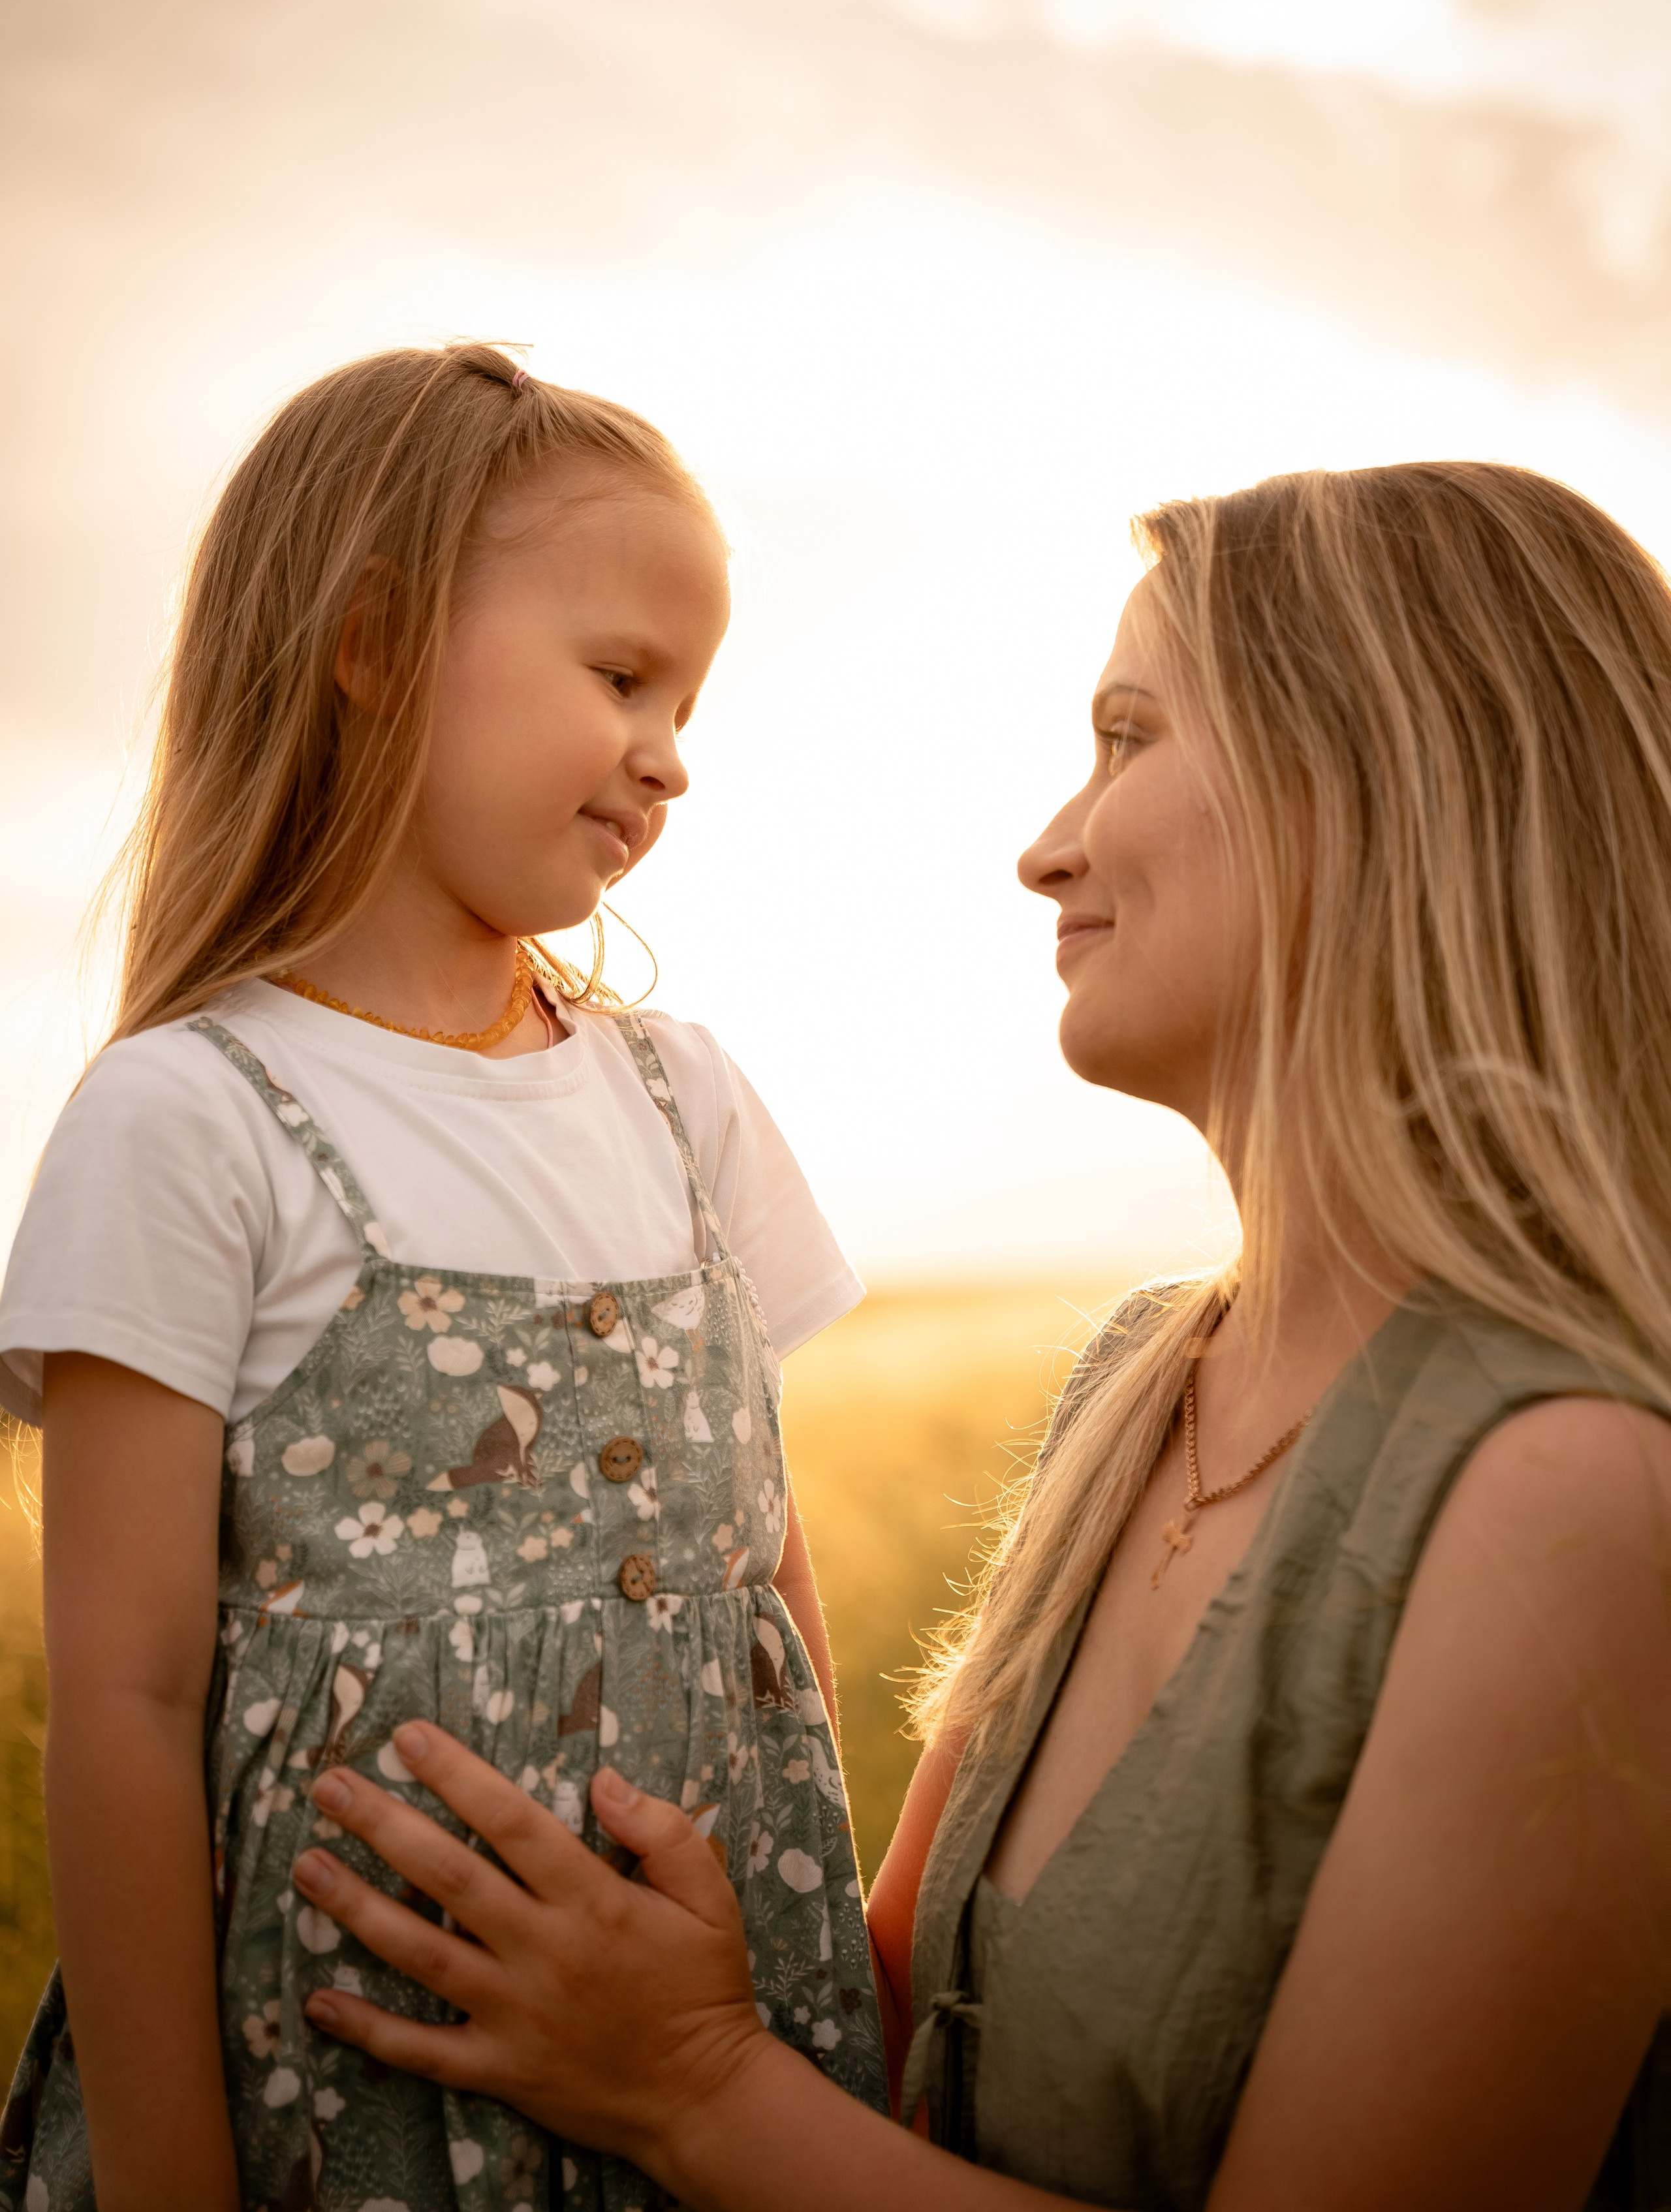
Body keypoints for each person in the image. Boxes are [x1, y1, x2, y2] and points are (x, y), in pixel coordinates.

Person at [280, 461, 1671, 2212]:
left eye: (1130, 735)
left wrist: (694, 2091)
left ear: (1383, 788)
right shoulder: (1149, 1380)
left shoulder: (1580, 1494)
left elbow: (755, 2095)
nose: (1049, 846)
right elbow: (890, 2048)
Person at [0, 343, 885, 2212]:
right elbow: (130, 1704)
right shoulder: (194, 1119)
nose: (673, 751)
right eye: (623, 676)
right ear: (375, 642)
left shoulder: (683, 1098)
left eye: (691, 696)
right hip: (349, 2098)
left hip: (715, 2060)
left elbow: (769, 1605)